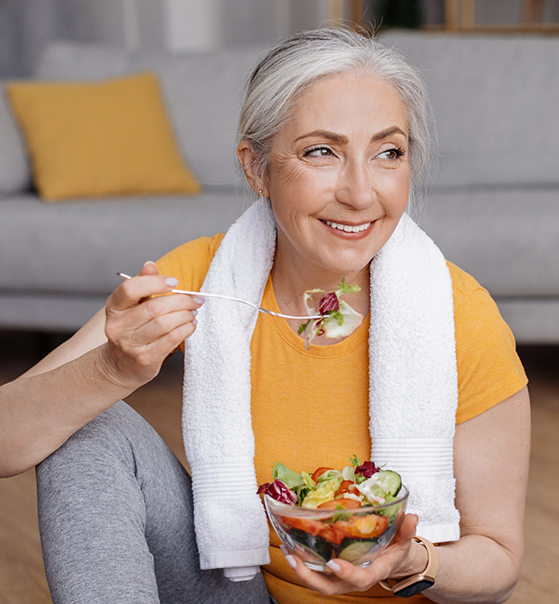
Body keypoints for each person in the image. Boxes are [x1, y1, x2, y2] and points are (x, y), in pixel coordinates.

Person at [0, 27, 529, 604]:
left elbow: (498, 561)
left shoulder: (459, 315)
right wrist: (110, 371)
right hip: (241, 591)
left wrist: (411, 559)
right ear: (257, 169)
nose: (359, 191)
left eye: (388, 152)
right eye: (321, 151)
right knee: (87, 424)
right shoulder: (202, 278)